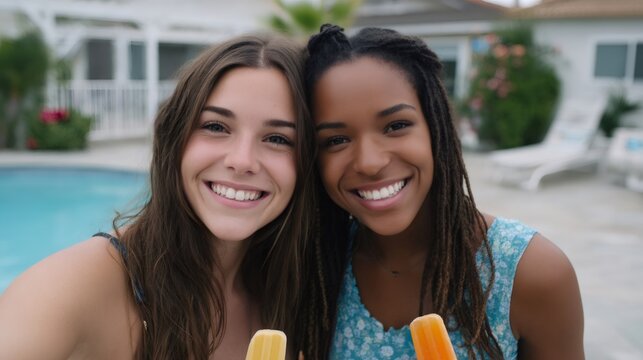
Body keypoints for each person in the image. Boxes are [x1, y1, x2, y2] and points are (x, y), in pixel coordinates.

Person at [0, 34, 317, 359]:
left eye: (277, 138)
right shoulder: (68, 289)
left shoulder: (302, 292)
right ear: (175, 137)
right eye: (216, 127)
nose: (242, 161)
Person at [298, 25, 584, 359]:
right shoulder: (316, 266)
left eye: (396, 126)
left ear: (437, 126)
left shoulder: (532, 274)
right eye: (336, 140)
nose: (370, 163)